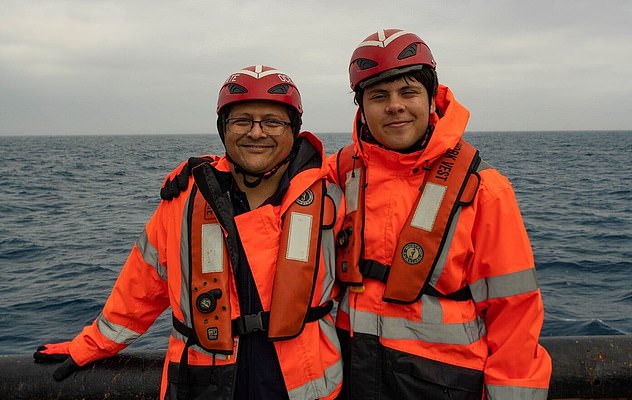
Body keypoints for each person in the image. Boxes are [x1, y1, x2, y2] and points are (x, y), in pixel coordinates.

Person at [34, 65, 344, 400]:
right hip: (201, 382)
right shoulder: (183, 198)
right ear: (223, 129)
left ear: (294, 130)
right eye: (241, 121)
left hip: (307, 385)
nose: (257, 133)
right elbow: (141, 285)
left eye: (272, 121)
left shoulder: (333, 193)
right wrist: (90, 345)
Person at [329, 29, 552, 399]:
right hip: (354, 374)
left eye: (409, 92)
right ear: (362, 108)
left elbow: (515, 314)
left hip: (447, 384)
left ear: (432, 97)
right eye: (378, 96)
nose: (395, 106)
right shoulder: (339, 173)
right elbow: (266, 176)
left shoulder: (485, 191)